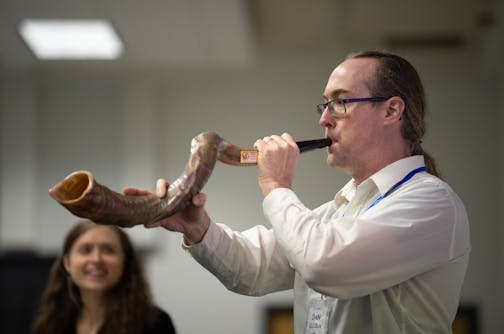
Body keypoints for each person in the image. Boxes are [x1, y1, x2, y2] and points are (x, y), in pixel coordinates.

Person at [125, 50, 470, 333]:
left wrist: (275, 185)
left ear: (392, 111)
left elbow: (323, 265)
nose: (324, 120)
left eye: (341, 102)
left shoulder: (430, 202)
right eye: (325, 104)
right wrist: (196, 227)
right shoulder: (340, 211)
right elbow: (253, 269)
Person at [32, 219, 176, 334]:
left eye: (108, 250)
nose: (96, 259)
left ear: (125, 262)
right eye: (86, 250)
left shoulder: (154, 324)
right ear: (67, 264)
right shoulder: (53, 324)